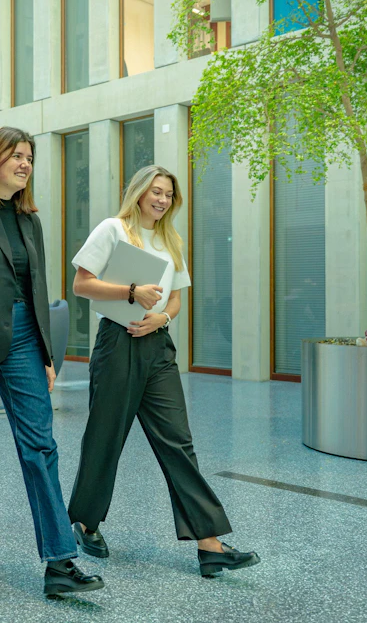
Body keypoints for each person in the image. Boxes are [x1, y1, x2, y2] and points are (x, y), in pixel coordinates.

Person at [65, 165, 260, 579]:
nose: (162, 199)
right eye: (155, 191)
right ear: (138, 193)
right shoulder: (113, 229)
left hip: (156, 346)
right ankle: (85, 522)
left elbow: (174, 300)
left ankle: (209, 545)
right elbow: (82, 284)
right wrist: (131, 293)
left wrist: (162, 320)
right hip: (117, 343)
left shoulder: (171, 239)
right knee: (106, 437)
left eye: (168, 194)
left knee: (178, 441)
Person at [0, 126, 104, 596]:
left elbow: (39, 289)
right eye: (16, 155)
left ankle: (59, 561)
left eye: (29, 156)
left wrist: (47, 355)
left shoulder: (30, 220)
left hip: (27, 339)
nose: (25, 163)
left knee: (42, 446)